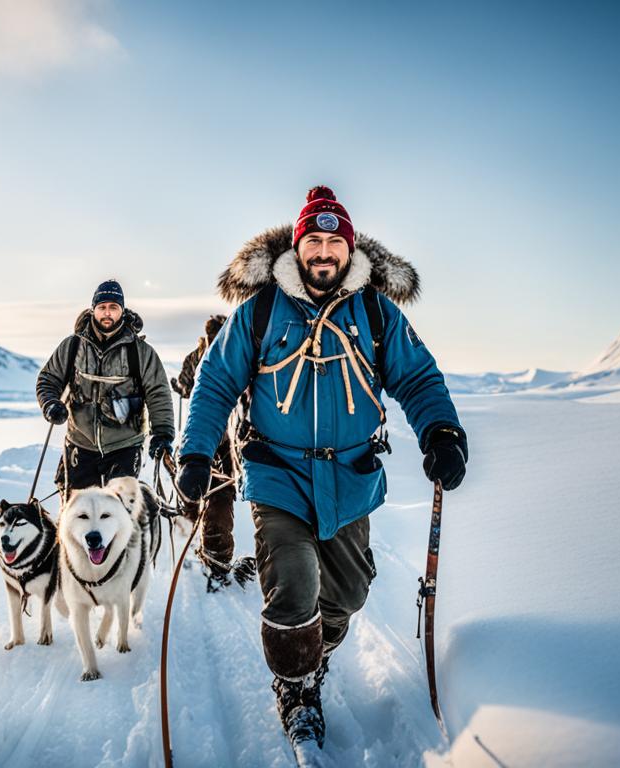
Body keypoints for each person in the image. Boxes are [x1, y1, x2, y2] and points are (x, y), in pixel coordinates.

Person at [175, 187, 468, 752]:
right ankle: (296, 691)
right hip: (277, 474)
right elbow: (214, 384)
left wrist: (442, 431)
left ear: (349, 249)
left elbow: (419, 377)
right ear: (298, 246)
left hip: (352, 478)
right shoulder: (259, 312)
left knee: (348, 594)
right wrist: (194, 452)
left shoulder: (377, 312)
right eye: (315, 241)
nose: (324, 252)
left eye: (335, 242)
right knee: (293, 584)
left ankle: (313, 654)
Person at [37, 279, 175, 498]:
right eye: (102, 307)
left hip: (125, 446)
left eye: (113, 307)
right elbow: (48, 379)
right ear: (93, 310)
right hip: (80, 444)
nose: (107, 313)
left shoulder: (140, 352)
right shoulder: (73, 346)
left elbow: (158, 393)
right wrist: (51, 404)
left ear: (122, 310)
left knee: (121, 516)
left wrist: (163, 434)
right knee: (77, 517)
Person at [171, 315, 254, 592]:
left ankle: (191, 544)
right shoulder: (232, 351)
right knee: (221, 493)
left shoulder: (199, 356)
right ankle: (214, 558)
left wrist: (180, 387)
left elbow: (185, 386)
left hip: (201, 436)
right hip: (220, 435)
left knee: (201, 491)